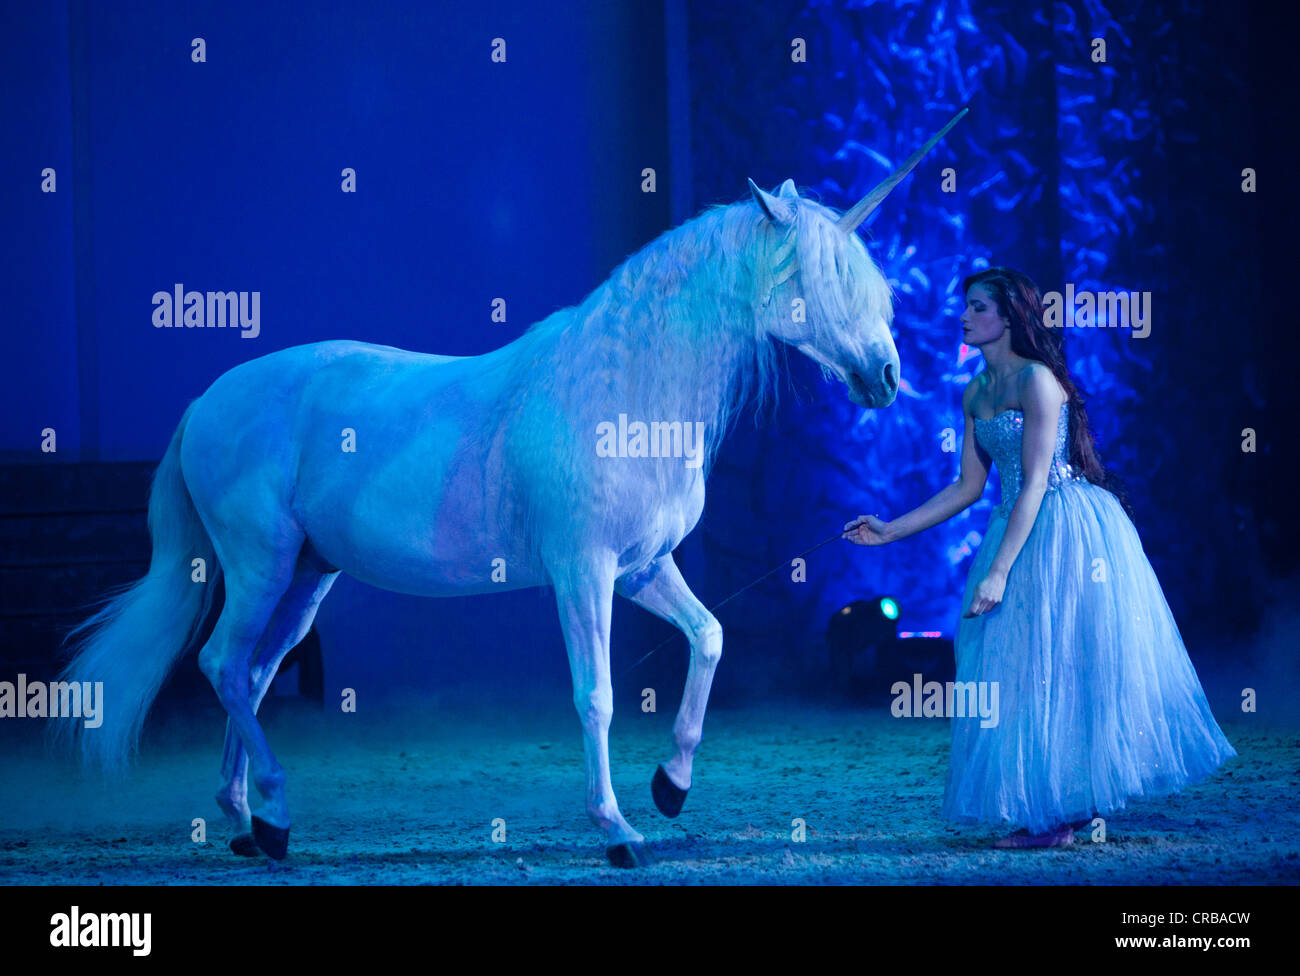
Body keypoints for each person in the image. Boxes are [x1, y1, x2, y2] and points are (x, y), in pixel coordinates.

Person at [842, 266, 1236, 848]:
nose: (965, 316)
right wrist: (890, 530)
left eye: (978, 307)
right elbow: (967, 488)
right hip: (1017, 525)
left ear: (1007, 317)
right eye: (966, 306)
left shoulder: (1038, 382)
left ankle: (1058, 817)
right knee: (1015, 663)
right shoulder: (974, 390)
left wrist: (999, 570)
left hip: (1067, 529)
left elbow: (1032, 483)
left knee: (1062, 660)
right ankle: (1056, 811)